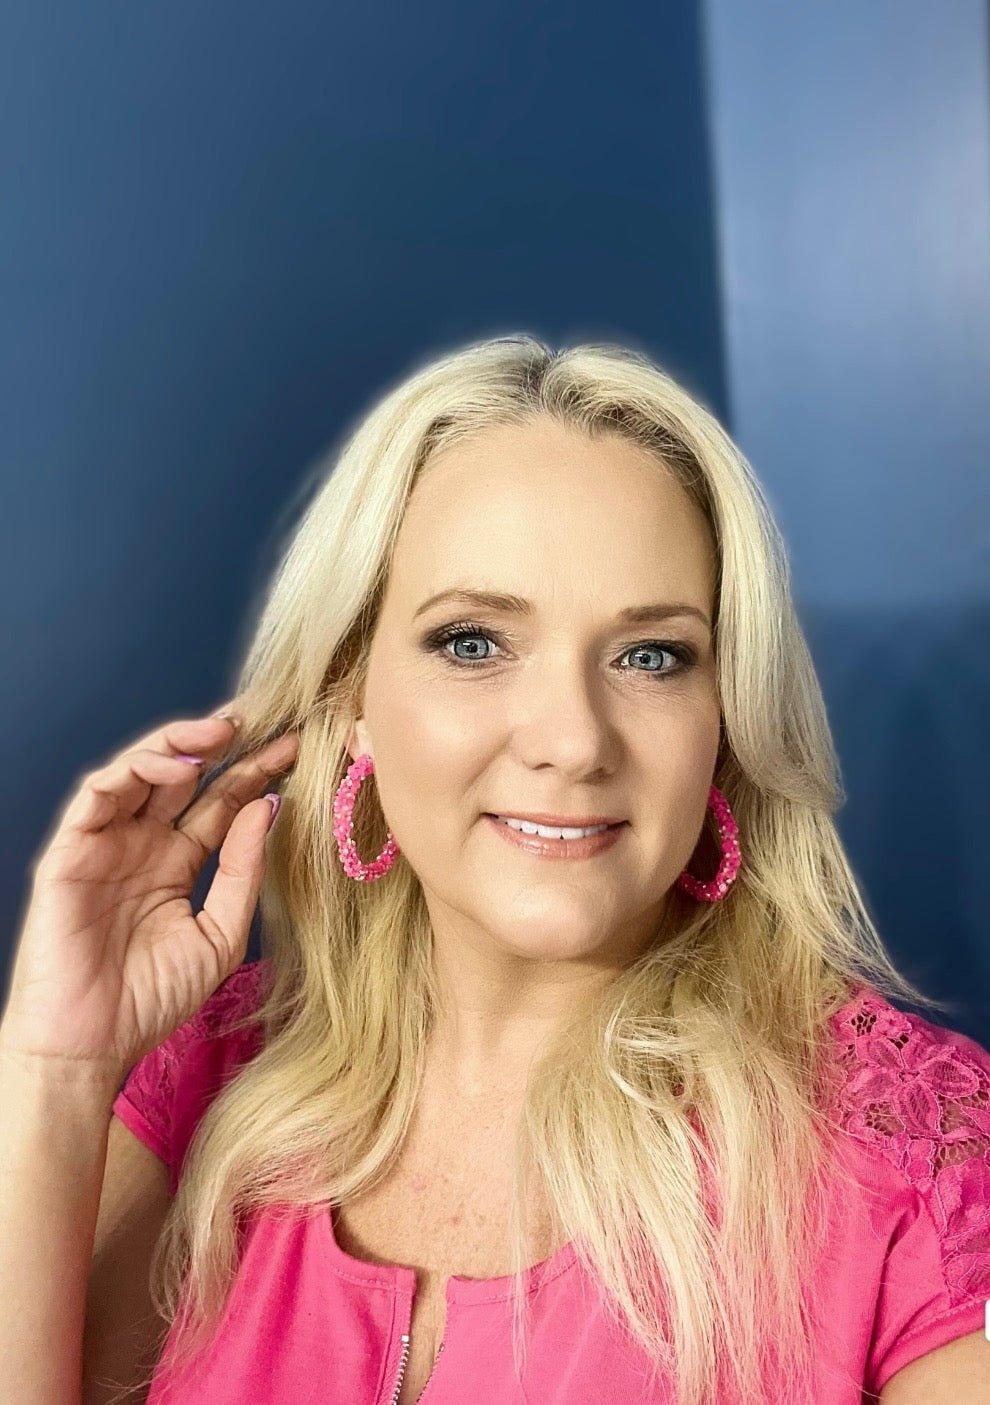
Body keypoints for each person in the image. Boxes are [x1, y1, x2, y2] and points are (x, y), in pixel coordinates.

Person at [2, 336, 987, 1405]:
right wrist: (55, 1072)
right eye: (473, 642)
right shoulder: (204, 1080)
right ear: (352, 699)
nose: (572, 739)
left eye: (651, 656)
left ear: (726, 720)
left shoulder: (915, 1162)